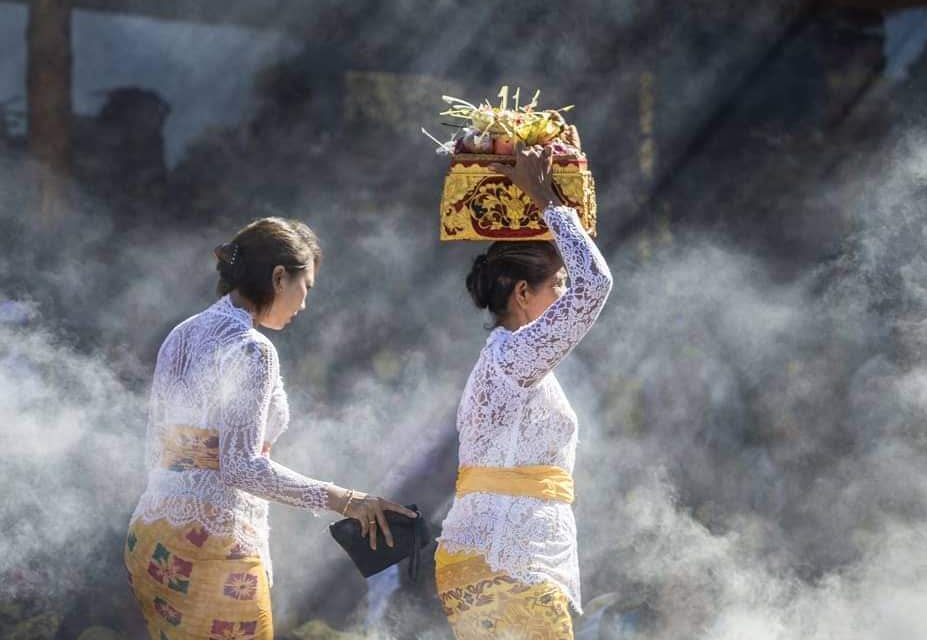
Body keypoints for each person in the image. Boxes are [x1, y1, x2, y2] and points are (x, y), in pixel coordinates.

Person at [123, 217, 414, 640]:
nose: (304, 303)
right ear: (279, 277)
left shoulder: (181, 334)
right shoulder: (252, 349)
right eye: (306, 287)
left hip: (151, 535)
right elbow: (240, 467)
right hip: (210, 544)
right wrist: (344, 499)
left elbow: (156, 449)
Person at [435, 145, 614, 639]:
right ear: (521, 294)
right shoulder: (512, 355)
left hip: (492, 556)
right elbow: (595, 285)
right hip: (505, 557)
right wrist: (545, 199)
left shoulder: (508, 359)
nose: (564, 295)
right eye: (556, 284)